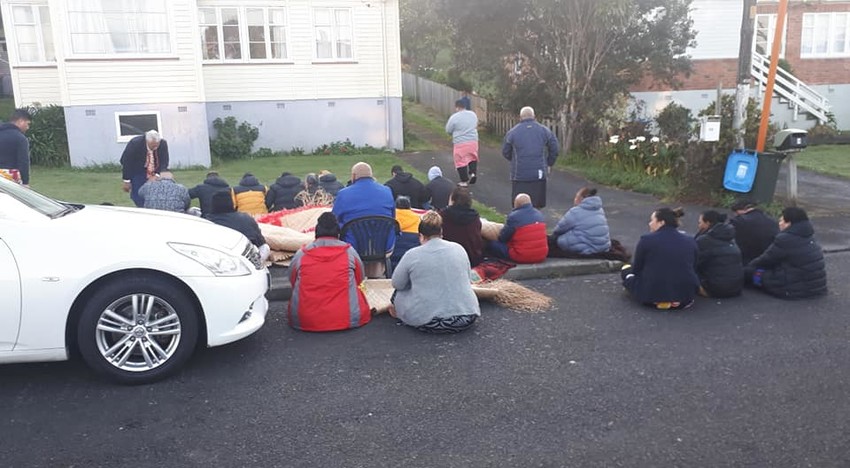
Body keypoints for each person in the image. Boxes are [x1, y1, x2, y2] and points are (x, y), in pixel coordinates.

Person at [389, 211, 480, 334]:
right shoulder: (459, 248)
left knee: (398, 293)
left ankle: (400, 312)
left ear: (420, 235)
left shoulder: (412, 254)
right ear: (441, 233)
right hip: (467, 316)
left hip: (430, 322)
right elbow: (467, 278)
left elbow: (397, 284)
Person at [287, 212, 371, 332]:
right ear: (338, 232)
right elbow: (359, 279)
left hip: (304, 319)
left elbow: (293, 280)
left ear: (316, 231)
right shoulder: (349, 252)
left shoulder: (302, 254)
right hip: (348, 318)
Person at [621, 208, 700, 310]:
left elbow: (637, 269)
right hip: (684, 297)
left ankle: (661, 300)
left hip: (651, 296)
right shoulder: (690, 240)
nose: (649, 224)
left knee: (626, 270)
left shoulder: (646, 240)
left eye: (652, 220)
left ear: (661, 222)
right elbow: (694, 266)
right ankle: (673, 301)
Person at [745, 207, 827, 299]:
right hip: (817, 287)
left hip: (792, 289)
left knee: (753, 273)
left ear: (789, 223)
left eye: (781, 221)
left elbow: (766, 259)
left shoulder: (785, 239)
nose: (779, 223)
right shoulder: (808, 235)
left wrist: (748, 267)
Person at [502, 106, 559, 208]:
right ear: (534, 117)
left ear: (520, 117)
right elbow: (554, 148)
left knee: (519, 205)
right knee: (537, 204)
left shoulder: (512, 133)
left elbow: (506, 152)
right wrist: (549, 163)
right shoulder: (544, 131)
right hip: (539, 174)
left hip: (519, 175)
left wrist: (515, 160)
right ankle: (536, 221)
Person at [332, 162, 395, 249]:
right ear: (372, 176)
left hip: (353, 246)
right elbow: (393, 216)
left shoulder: (343, 194)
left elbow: (334, 219)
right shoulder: (387, 191)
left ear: (353, 176)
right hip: (383, 245)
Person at [207, 190, 271, 263]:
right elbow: (261, 243)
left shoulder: (206, 222)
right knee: (265, 247)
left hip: (218, 261)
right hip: (245, 260)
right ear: (231, 203)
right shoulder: (246, 218)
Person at [487, 193, 548, 264]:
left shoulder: (514, 217)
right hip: (541, 255)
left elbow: (503, 238)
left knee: (492, 244)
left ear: (516, 204)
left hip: (522, 256)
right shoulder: (539, 214)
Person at [694, 210, 744, 298]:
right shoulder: (730, 239)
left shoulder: (704, 240)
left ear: (708, 223)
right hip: (736, 288)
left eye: (700, 223)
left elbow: (693, 262)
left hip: (715, 290)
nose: (699, 225)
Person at [552, 187, 611, 255]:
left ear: (581, 198)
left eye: (576, 197)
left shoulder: (575, 212)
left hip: (588, 248)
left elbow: (559, 229)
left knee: (560, 240)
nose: (574, 199)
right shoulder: (599, 209)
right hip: (603, 246)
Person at [120, 130, 169, 207]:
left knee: (159, 193)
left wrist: (157, 175)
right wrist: (127, 181)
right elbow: (126, 161)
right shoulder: (135, 144)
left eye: (157, 145)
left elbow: (164, 161)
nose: (155, 147)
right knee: (138, 194)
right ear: (147, 141)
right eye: (153, 146)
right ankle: (143, 209)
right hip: (138, 171)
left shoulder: (163, 144)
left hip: (155, 170)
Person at [440, 185, 484, 266]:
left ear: (452, 200)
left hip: (448, 258)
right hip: (471, 258)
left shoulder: (443, 215)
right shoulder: (474, 217)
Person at [729, 199, 779, 265]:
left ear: (744, 209)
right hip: (764, 261)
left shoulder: (739, 221)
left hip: (742, 260)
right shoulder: (773, 222)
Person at [445, 99, 479, 185]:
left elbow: (448, 130)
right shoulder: (473, 114)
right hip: (473, 141)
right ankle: (473, 173)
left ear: (457, 107)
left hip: (460, 142)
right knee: (472, 157)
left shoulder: (454, 117)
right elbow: (475, 124)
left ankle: (464, 181)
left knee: (460, 161)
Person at [0, 109, 32, 186]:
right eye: (27, 124)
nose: (27, 127)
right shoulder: (20, 138)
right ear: (21, 121)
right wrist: (25, 182)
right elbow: (23, 161)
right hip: (10, 177)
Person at [391, 196, 421, 269]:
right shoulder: (417, 218)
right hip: (412, 254)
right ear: (409, 206)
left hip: (393, 254)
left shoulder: (390, 217)